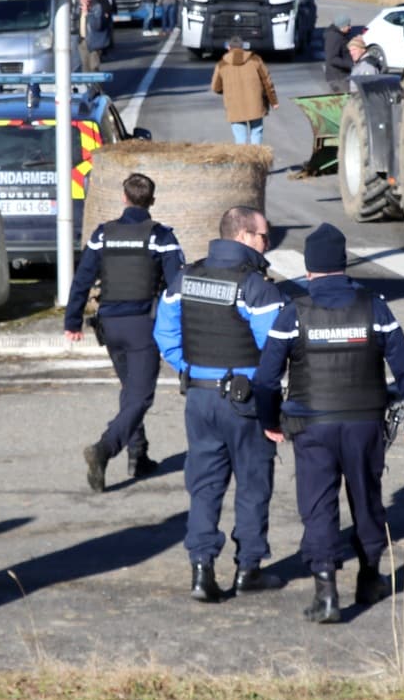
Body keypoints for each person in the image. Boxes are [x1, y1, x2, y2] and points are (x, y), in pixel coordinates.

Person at [253, 224, 404, 623]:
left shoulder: (292, 312)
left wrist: (270, 420)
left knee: (318, 505)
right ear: (343, 264)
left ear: (310, 269)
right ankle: (369, 579)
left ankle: (326, 593)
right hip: (366, 424)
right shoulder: (374, 307)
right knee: (366, 499)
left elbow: (265, 378)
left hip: (311, 426)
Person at [154, 205, 286, 602]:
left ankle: (201, 570)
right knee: (252, 483)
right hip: (244, 401)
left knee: (204, 485)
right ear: (244, 237)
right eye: (264, 236)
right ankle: (249, 569)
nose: (268, 242)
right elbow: (276, 349)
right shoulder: (256, 287)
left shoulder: (184, 278)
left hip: (199, 396)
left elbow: (165, 336)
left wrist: (195, 371)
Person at [65, 171, 186, 491]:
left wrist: (72, 321)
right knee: (141, 396)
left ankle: (139, 455)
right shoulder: (161, 237)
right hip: (142, 326)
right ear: (152, 201)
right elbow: (177, 288)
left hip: (110, 326)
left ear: (124, 198)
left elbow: (82, 279)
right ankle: (104, 449)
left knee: (130, 390)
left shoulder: (103, 234)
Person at [211, 38, 278, 144]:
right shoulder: (255, 60)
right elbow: (267, 81)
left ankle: (243, 159)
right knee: (256, 132)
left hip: (234, 105)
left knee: (240, 137)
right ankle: (255, 158)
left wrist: (228, 91)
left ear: (229, 48)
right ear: (243, 47)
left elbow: (215, 87)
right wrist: (273, 101)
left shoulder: (222, 65)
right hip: (255, 104)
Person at [80, 0, 114, 72]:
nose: (84, 2)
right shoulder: (78, 9)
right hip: (82, 41)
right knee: (85, 68)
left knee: (93, 67)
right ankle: (87, 84)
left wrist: (88, 14)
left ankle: (96, 85)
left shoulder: (97, 7)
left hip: (94, 41)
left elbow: (97, 25)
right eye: (81, 0)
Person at [323, 16, 356, 92]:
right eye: (348, 25)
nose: (350, 27)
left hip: (340, 76)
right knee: (344, 101)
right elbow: (332, 59)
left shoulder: (339, 35)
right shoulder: (335, 37)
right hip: (338, 78)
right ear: (342, 26)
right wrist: (350, 64)